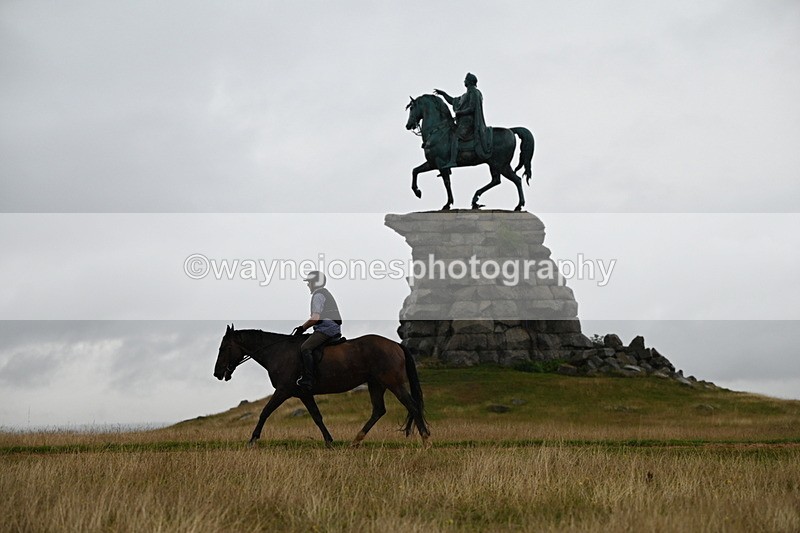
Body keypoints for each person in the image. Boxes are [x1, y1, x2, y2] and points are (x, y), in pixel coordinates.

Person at [291, 271, 342, 391]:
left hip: (327, 328)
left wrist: (302, 328)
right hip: (331, 326)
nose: (308, 284)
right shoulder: (324, 293)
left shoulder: (318, 295)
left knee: (305, 347)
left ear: (315, 283)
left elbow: (315, 318)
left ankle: (309, 379)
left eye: (309, 282)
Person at [434, 72, 493, 167]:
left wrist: (460, 113)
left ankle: (453, 161)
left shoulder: (474, 92)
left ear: (469, 82)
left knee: (455, 136)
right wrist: (443, 94)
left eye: (465, 80)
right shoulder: (465, 95)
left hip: (469, 122)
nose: (464, 81)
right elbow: (452, 101)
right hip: (462, 122)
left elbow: (472, 108)